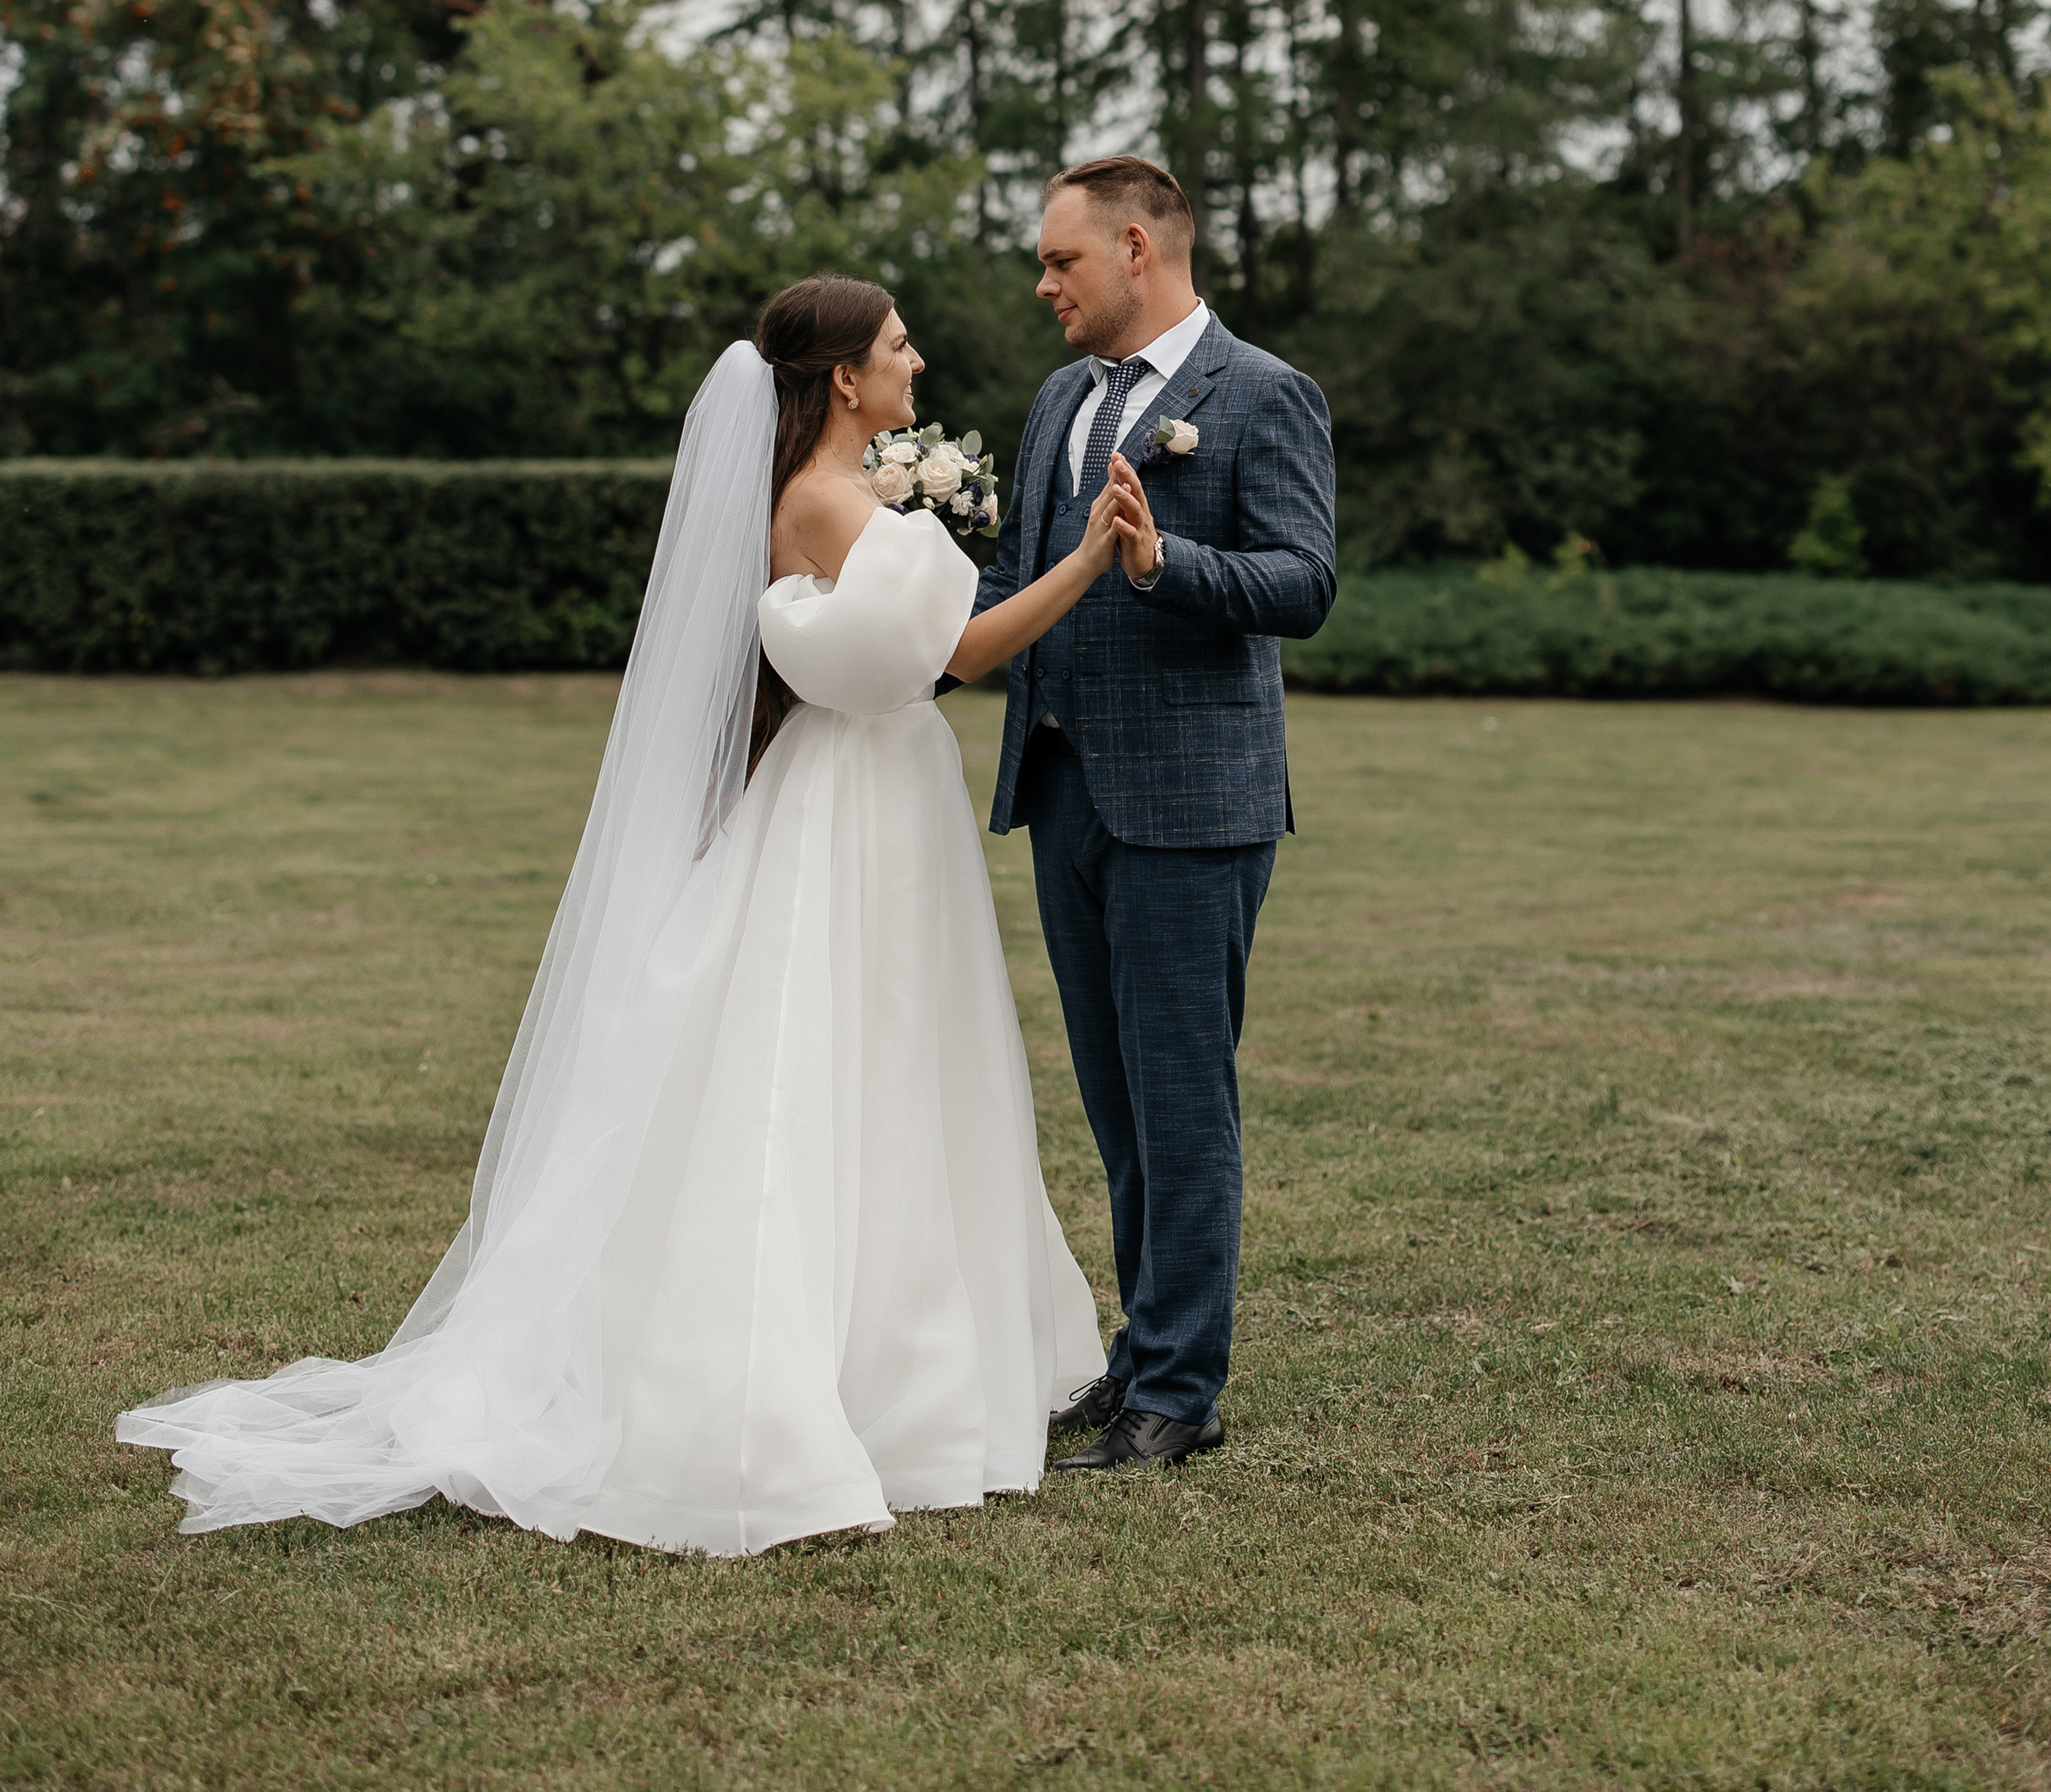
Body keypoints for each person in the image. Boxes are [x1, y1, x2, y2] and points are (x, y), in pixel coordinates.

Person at [118, 276, 1122, 1558]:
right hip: (861, 803)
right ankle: (834, 1383)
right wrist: (1090, 558)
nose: (916, 361)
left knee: (865, 1060)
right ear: (844, 382)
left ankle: (897, 1361)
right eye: (897, 347)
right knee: (846, 1062)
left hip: (861, 794)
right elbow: (965, 653)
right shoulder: (827, 502)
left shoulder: (827, 496)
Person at [964, 157, 1337, 1471]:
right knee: (1117, 1104)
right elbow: (1018, 574)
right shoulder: (1061, 399)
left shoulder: (1263, 393)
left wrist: (1166, 560)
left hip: (1191, 801)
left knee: (1182, 1102)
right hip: (1064, 787)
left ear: (1136, 248)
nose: (1045, 283)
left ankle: (1183, 1388)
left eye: (1062, 260)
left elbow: (1303, 581)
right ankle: (1135, 1365)